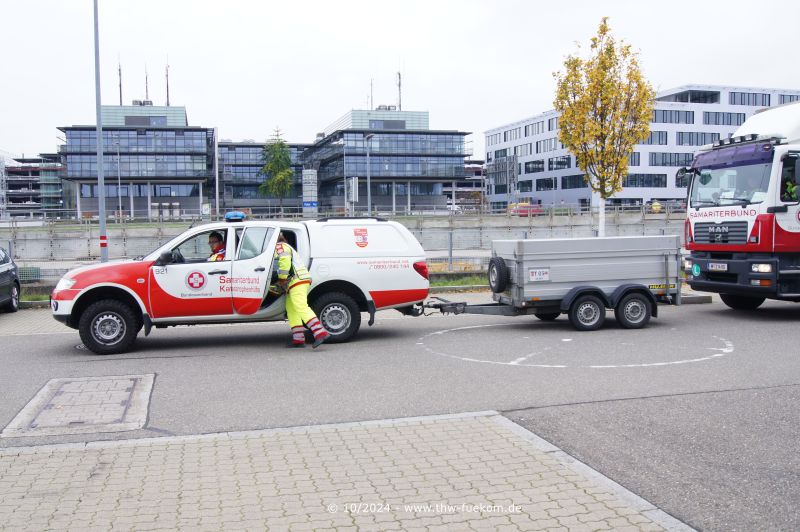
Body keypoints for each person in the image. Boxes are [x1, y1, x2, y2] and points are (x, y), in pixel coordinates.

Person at [274, 233, 330, 348]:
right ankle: (298, 339)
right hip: (296, 281)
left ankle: (320, 333)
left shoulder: (280, 246)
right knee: (292, 309)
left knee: (301, 307)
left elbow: (284, 262)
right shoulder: (287, 246)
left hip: (296, 280)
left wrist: (281, 280)